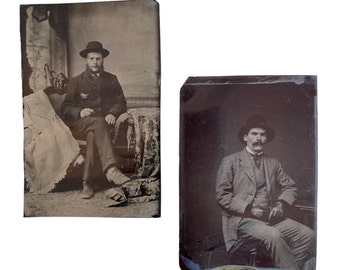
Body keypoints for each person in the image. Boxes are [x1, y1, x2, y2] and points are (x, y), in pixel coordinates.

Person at [216, 114, 316, 270]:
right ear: (245, 137)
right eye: (254, 134)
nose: (259, 138)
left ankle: (288, 267)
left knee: (308, 236)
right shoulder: (230, 161)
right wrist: (249, 208)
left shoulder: (273, 163)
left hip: (270, 219)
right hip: (242, 221)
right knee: (273, 236)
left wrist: (281, 203)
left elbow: (290, 186)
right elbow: (222, 196)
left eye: (263, 135)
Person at [61, 41, 131, 199]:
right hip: (80, 124)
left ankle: (87, 183)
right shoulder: (76, 81)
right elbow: (65, 108)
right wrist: (80, 111)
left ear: (103, 60)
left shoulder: (112, 79)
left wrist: (113, 113)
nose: (95, 62)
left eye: (98, 58)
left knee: (94, 134)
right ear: (86, 60)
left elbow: (121, 102)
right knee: (97, 123)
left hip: (101, 127)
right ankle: (111, 169)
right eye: (91, 58)